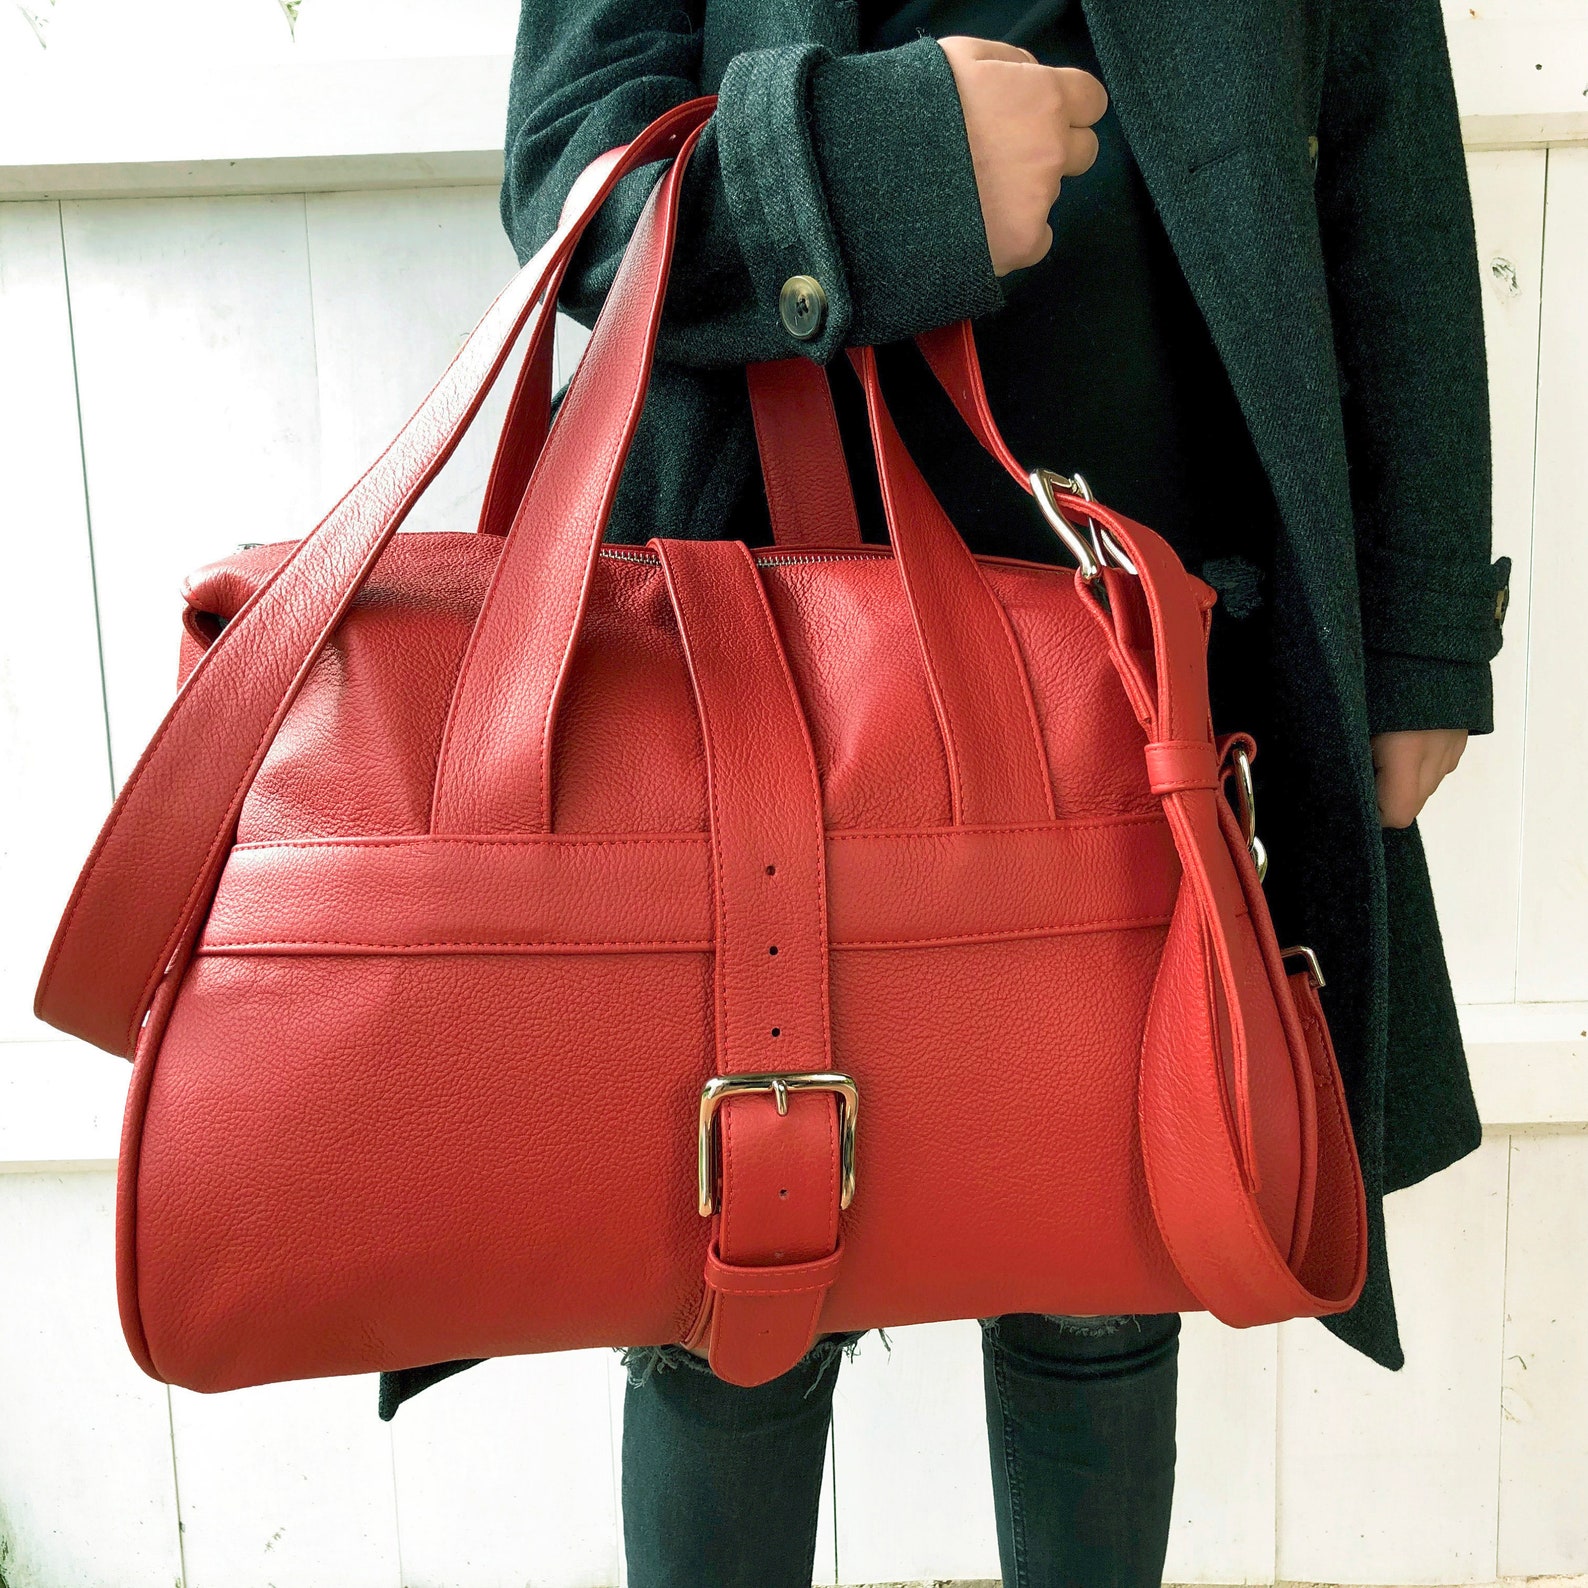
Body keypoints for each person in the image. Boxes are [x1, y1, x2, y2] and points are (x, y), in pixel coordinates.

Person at [379, 3, 1512, 1584]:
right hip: (742, 626)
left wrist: (1417, 629)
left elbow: (1385, 155)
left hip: (1167, 622)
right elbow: (574, 170)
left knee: (1112, 1258)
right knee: (728, 1271)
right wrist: (885, 169)